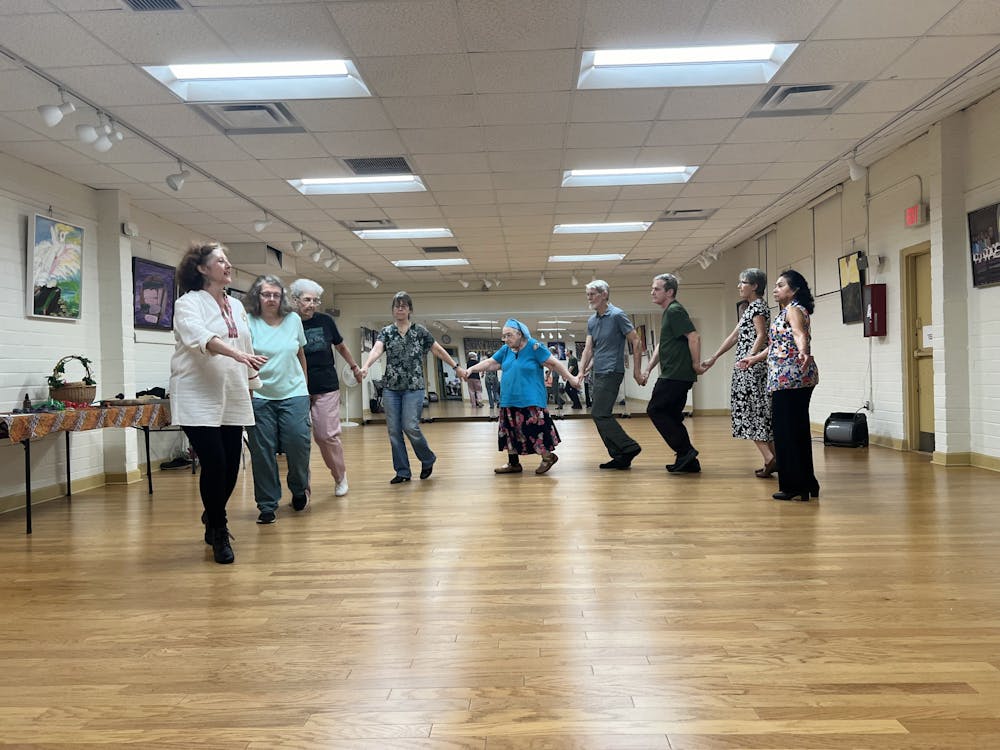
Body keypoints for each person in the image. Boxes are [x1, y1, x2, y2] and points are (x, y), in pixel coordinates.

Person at [169, 242, 267, 564]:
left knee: (231, 466)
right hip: (197, 393)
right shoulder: (188, 304)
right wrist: (236, 353)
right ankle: (219, 530)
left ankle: (212, 515)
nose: (227, 265)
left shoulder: (236, 306)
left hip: (233, 391)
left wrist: (252, 383)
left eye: (228, 260)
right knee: (215, 464)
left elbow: (247, 345)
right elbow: (199, 337)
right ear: (201, 268)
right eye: (220, 261)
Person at [737, 270, 820, 501]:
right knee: (798, 432)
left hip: (789, 380)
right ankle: (808, 483)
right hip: (795, 379)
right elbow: (776, 346)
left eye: (781, 285)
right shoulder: (787, 311)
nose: (775, 289)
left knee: (786, 434)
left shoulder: (793, 310)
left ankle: (794, 486)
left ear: (794, 290)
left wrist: (803, 351)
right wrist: (753, 358)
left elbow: (798, 333)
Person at [359, 291, 459, 484]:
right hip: (391, 388)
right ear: (393, 310)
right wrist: (365, 366)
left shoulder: (420, 331)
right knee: (394, 431)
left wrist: (455, 367)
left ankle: (427, 458)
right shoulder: (387, 332)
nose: (400, 309)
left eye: (404, 306)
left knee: (410, 426)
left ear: (410, 309)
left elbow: (437, 349)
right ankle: (403, 471)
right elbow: (377, 349)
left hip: (414, 387)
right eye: (397, 306)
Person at [458, 319, 580, 475]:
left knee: (535, 430)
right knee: (509, 431)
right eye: (504, 336)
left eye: (508, 335)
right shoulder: (505, 350)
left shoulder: (534, 347)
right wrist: (471, 369)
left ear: (520, 334)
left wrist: (571, 379)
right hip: (508, 398)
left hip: (531, 398)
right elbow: (491, 363)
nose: (505, 339)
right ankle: (514, 463)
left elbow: (554, 364)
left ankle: (548, 457)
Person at [245, 275, 311, 524]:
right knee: (262, 453)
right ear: (257, 297)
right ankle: (267, 504)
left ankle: (298, 488)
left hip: (293, 393)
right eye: (266, 294)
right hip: (259, 395)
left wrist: (304, 385)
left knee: (298, 444)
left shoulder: (293, 320)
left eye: (275, 294)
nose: (271, 299)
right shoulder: (248, 321)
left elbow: (300, 354)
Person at [290, 278, 362, 499]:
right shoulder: (288, 322)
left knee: (325, 436)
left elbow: (340, 345)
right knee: (297, 439)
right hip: (295, 387)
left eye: (315, 300)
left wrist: (354, 366)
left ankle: (340, 476)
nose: (312, 304)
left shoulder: (325, 321)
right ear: (295, 300)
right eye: (307, 299)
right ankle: (302, 488)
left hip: (326, 386)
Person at [700, 268, 775, 477]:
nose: (739, 286)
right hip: (747, 365)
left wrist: (749, 358)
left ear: (755, 286)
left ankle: (770, 458)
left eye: (743, 282)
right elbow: (734, 337)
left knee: (752, 412)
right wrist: (714, 357)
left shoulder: (758, 307)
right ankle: (772, 458)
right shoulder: (749, 308)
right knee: (755, 411)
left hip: (751, 367)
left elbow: (761, 335)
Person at [640, 273, 705, 473]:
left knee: (656, 410)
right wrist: (649, 367)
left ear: (669, 292)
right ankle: (689, 462)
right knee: (672, 416)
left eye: (657, 288)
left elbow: (694, 337)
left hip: (676, 374)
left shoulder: (675, 310)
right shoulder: (669, 312)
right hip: (674, 373)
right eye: (652, 288)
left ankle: (685, 451)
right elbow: (662, 344)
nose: (652, 292)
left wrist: (695, 363)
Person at [578, 280, 644, 469]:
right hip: (599, 371)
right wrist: (581, 372)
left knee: (599, 413)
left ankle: (628, 447)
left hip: (612, 371)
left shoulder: (617, 315)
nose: (589, 298)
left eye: (592, 294)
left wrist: (637, 372)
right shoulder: (592, 320)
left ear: (604, 294)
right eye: (588, 294)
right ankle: (620, 455)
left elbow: (636, 341)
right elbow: (588, 349)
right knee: (599, 414)